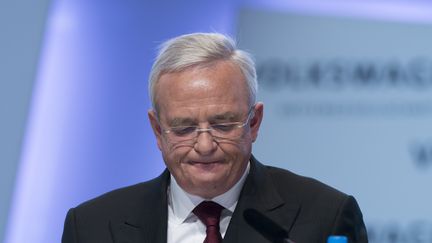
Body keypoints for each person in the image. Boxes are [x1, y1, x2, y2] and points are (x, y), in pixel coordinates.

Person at [62, 32, 368, 243]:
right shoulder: (94, 225)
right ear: (157, 130)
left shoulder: (325, 216)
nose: (205, 146)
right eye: (184, 128)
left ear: (255, 122)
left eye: (222, 125)